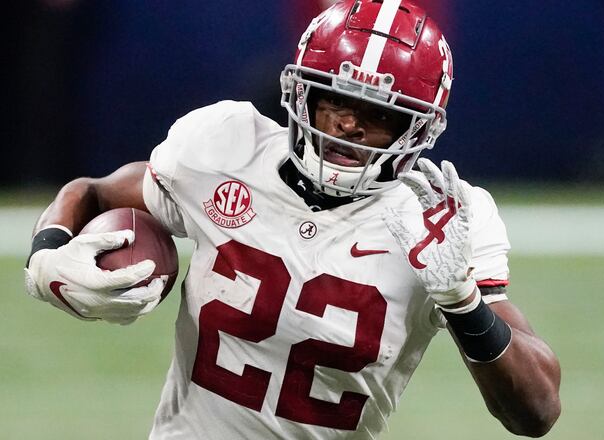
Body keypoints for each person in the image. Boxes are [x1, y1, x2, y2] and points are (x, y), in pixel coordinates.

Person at [23, 1, 561, 438]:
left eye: (379, 115)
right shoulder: (225, 146)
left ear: (417, 130)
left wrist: (464, 301)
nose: (349, 125)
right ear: (300, 91)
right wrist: (48, 251)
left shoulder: (440, 217)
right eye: (334, 100)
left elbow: (537, 412)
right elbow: (92, 192)